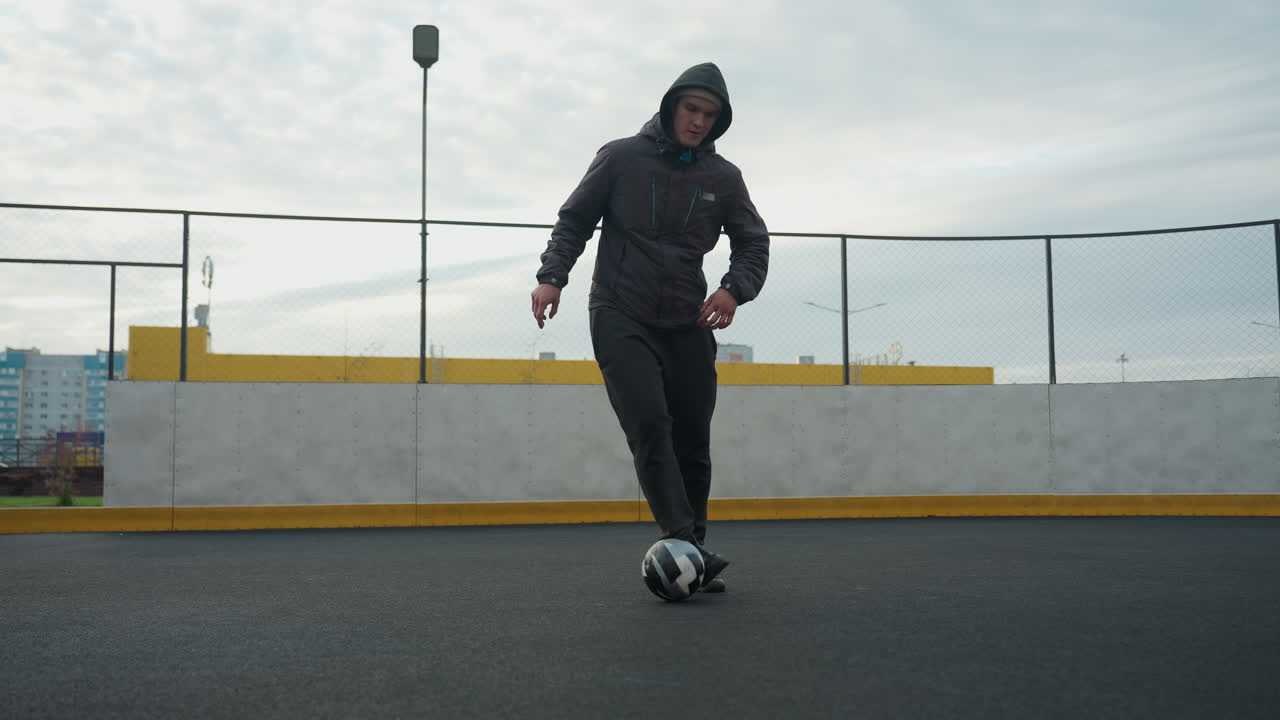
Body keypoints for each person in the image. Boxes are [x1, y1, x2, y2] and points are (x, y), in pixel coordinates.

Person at [531, 62, 769, 593]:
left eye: (710, 114)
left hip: (687, 319)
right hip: (620, 311)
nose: (699, 121)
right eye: (691, 109)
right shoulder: (620, 158)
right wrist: (552, 277)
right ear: (670, 106)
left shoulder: (724, 178)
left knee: (692, 438)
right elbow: (575, 220)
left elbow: (753, 242)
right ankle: (683, 542)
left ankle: (694, 552)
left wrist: (733, 289)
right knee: (650, 425)